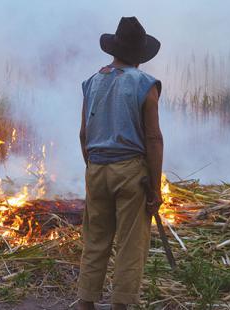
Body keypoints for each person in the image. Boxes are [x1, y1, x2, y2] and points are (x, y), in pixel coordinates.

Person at [77, 16, 164, 310]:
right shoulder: (145, 84)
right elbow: (153, 139)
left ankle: (86, 301)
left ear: (114, 49)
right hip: (130, 172)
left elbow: (83, 134)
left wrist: (93, 166)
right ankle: (121, 304)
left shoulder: (92, 82)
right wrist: (155, 188)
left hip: (96, 167)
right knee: (130, 244)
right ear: (140, 55)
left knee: (95, 240)